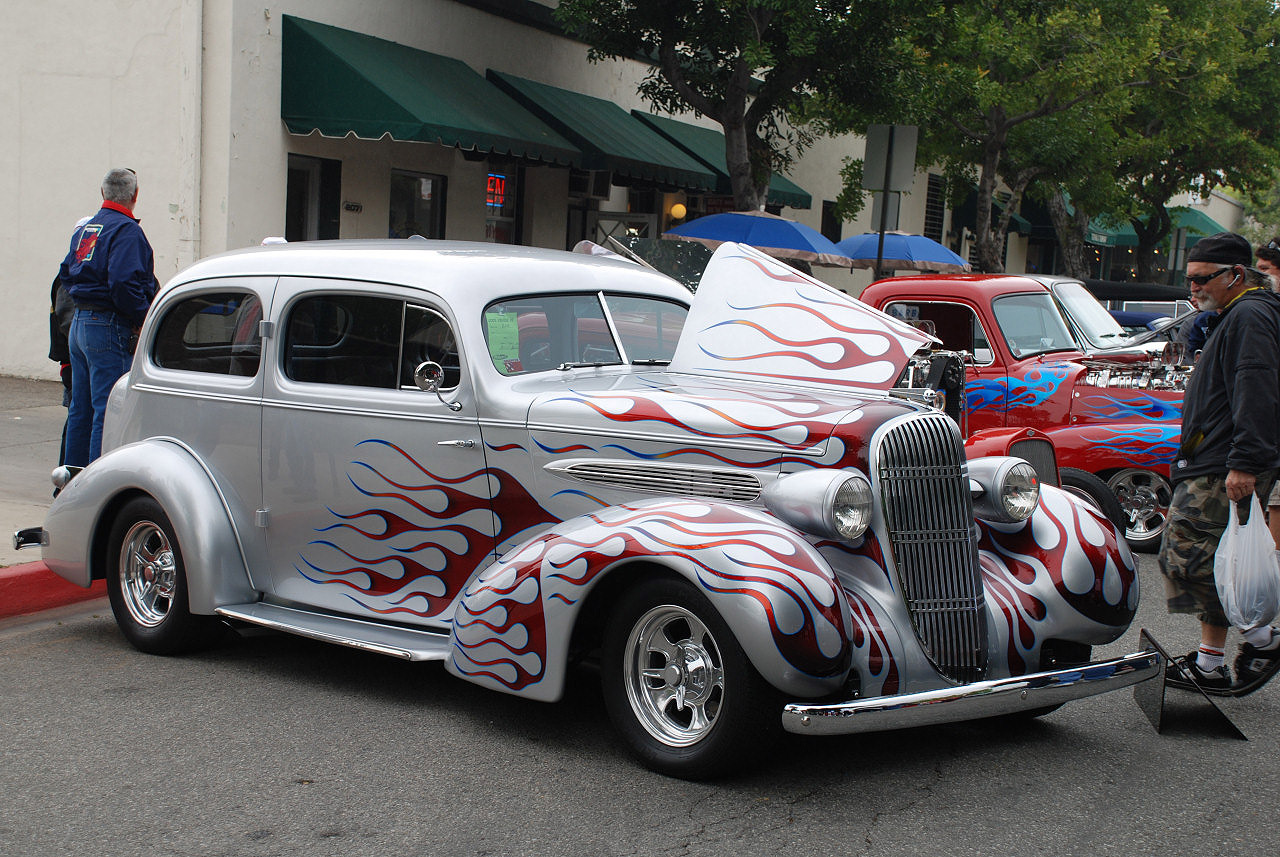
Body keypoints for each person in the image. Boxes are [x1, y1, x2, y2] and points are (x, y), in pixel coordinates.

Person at [1160, 232, 1280, 695]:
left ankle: (1262, 638)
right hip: (1214, 457)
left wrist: (1245, 462)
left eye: (1201, 280)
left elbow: (1257, 389)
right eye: (1188, 282)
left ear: (1235, 275)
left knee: (1188, 558)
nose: (1193, 291)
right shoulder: (1236, 314)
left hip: (1225, 461)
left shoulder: (1250, 315)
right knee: (1218, 559)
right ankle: (1211, 662)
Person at [60, 168, 158, 466]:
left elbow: (66, 272)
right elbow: (123, 283)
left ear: (103, 193)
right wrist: (144, 316)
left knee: (81, 408)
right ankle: (97, 485)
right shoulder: (126, 231)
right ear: (135, 195)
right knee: (109, 408)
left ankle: (72, 481)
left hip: (81, 324)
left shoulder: (88, 229)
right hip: (108, 325)